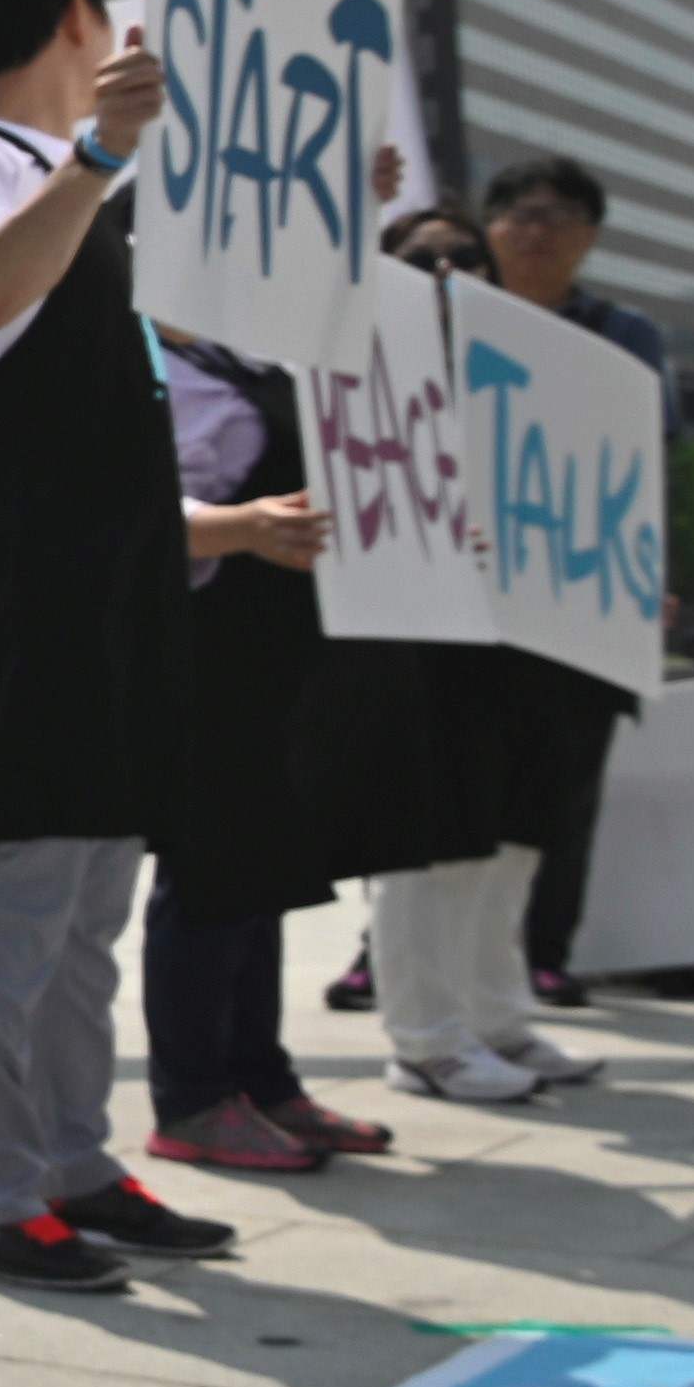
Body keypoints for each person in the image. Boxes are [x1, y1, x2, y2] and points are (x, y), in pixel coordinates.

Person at [0, 0, 236, 1292]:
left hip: (112, 573)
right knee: (21, 886)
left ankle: (72, 1162)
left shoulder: (87, 180)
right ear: (79, 17)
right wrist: (98, 152)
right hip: (24, 564)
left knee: (92, 897)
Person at [326, 206, 578, 1108]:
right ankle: (425, 1040)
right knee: (422, 850)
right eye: (420, 258)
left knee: (500, 844)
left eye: (465, 257)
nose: (445, 272)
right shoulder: (352, 366)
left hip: (511, 637)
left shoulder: (519, 372)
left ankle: (494, 1019)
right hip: (407, 640)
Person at [136, 318, 394, 1176]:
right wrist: (241, 526)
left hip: (286, 654)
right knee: (210, 870)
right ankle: (192, 1098)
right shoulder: (141, 358)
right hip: (210, 646)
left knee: (262, 874)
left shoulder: (245, 355)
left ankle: (262, 1081)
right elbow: (134, 510)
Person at [477, 152, 662, 1006]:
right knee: (444, 785)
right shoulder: (449, 316)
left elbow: (644, 462)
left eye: (557, 216)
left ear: (590, 236)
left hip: (581, 587)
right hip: (471, 590)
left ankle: (544, 950)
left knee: (563, 787)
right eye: (519, 214)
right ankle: (396, 955)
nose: (535, 232)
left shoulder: (624, 335)